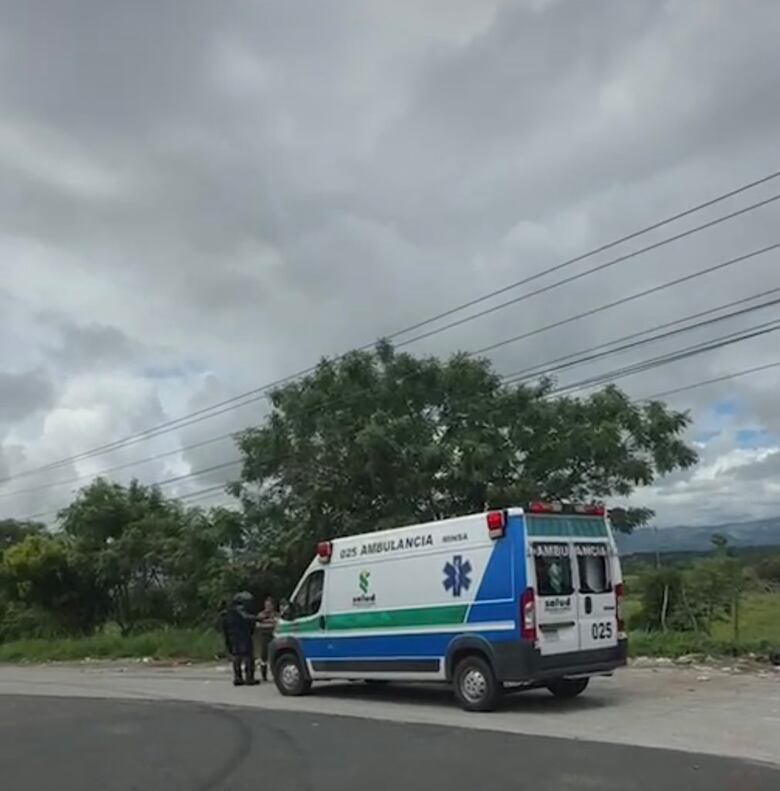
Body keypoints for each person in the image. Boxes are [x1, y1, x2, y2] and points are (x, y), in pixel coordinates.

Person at [223, 591, 259, 686]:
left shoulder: (228, 612)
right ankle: (249, 678)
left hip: (233, 636)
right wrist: (258, 618)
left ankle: (238, 677)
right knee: (248, 656)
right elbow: (247, 618)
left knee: (237, 656)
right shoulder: (240, 610)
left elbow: (224, 627)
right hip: (242, 635)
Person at [256, 596, 279, 682]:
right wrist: (270, 623)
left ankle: (275, 675)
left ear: (273, 606)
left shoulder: (276, 615)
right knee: (263, 656)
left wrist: (266, 623)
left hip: (273, 636)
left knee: (274, 656)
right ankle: (264, 675)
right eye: (266, 605)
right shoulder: (261, 615)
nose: (267, 607)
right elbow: (257, 625)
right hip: (264, 636)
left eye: (269, 605)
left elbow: (278, 624)